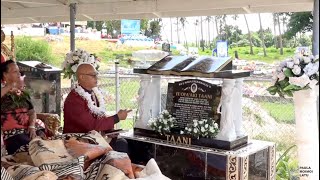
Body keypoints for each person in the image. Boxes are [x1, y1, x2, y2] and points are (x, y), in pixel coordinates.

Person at [63, 64, 131, 153]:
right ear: (82, 77)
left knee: (123, 141)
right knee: (120, 145)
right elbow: (91, 125)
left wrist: (110, 131)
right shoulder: (75, 98)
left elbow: (99, 116)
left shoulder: (93, 93)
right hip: (79, 141)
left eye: (96, 75)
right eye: (93, 75)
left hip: (93, 137)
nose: (96, 78)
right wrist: (116, 118)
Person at [1, 60, 45, 154]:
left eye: (18, 71)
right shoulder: (3, 91)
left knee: (46, 144)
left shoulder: (23, 92)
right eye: (15, 72)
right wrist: (10, 86)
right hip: (12, 132)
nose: (18, 74)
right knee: (31, 148)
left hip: (28, 129)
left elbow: (32, 111)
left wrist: (32, 126)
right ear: (5, 74)